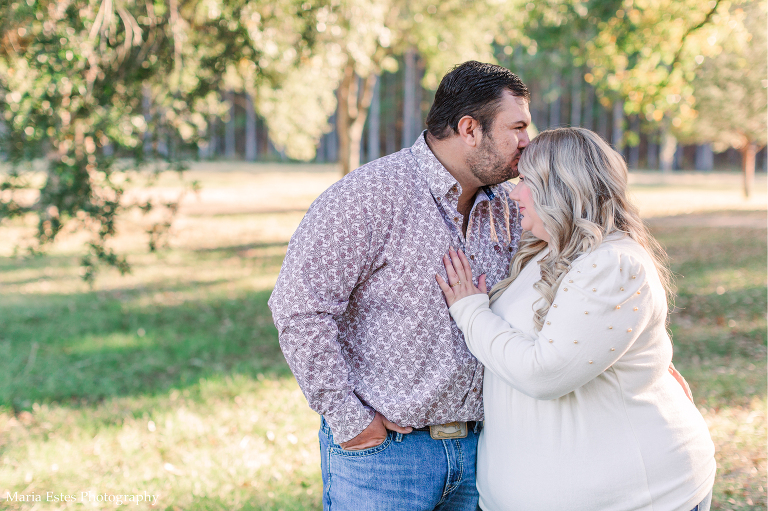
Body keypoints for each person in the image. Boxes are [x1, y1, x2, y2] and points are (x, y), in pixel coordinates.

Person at [268, 61, 531, 510]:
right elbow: (299, 307)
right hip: (386, 461)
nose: (528, 142)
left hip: (486, 457)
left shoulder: (510, 208)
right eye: (518, 128)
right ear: (469, 129)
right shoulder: (368, 196)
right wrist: (350, 420)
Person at [437, 127, 716, 511]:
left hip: (637, 498)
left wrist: (470, 311)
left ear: (563, 188)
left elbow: (544, 374)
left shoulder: (613, 264)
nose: (514, 194)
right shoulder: (547, 250)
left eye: (527, 181)